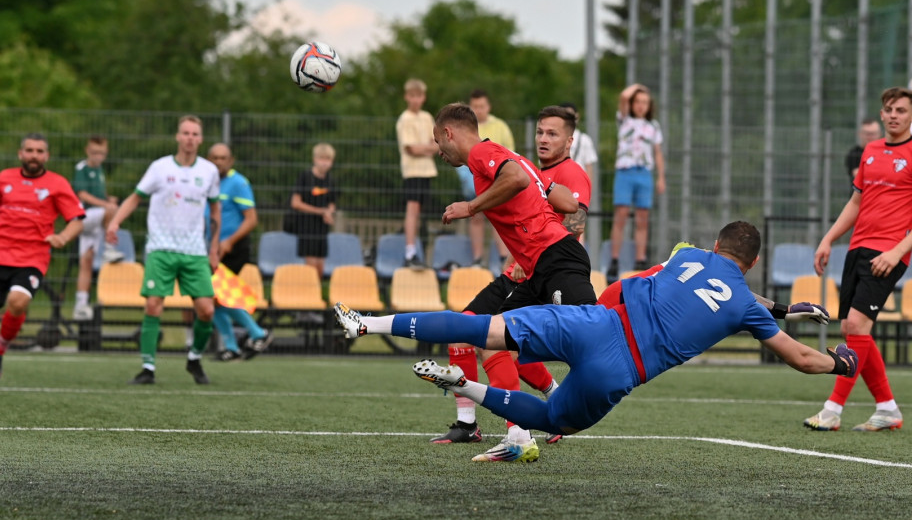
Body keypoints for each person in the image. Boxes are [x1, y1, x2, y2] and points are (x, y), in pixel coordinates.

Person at [335, 221, 858, 459]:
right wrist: (839, 363)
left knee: (482, 327)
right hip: (620, 368)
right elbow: (801, 358)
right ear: (756, 264)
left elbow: (700, 282)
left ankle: (367, 324)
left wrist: (774, 306)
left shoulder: (689, 255)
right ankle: (462, 387)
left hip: (596, 322)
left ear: (715, 244)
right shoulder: (746, 305)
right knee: (549, 420)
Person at [425, 102, 593, 461]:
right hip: (534, 265)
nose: (439, 151)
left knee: (591, 336)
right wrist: (541, 191)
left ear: (449, 133)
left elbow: (530, 187)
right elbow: (553, 196)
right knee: (487, 339)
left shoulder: (489, 154)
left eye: (439, 141)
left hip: (555, 260)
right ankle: (516, 432)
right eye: (540, 131)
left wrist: (470, 207)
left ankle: (560, 404)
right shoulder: (517, 161)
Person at [804, 86, 912, 432]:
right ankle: (888, 408)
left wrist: (897, 251)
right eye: (890, 109)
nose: (894, 115)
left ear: (910, 116)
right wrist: (829, 239)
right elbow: (855, 203)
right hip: (858, 249)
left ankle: (832, 410)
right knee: (852, 329)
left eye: (902, 110)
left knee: (858, 327)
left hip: (889, 253)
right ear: (881, 114)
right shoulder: (870, 150)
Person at [0, 133, 85, 392]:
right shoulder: (4, 178)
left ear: (46, 156)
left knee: (18, 301)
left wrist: (62, 237)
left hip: (32, 256)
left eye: (39, 151)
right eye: (29, 150)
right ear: (20, 154)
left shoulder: (57, 184)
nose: (34, 155)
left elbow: (78, 219)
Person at [106, 115, 221, 385]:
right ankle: (148, 368)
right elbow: (135, 197)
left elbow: (216, 208)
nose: (190, 138)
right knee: (153, 305)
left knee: (206, 310)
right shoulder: (159, 168)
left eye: (195, 134)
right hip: (161, 248)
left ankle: (194, 359)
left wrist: (213, 248)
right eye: (186, 133)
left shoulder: (209, 171)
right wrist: (115, 221)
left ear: (200, 139)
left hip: (194, 252)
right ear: (177, 137)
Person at [207, 142, 272, 361]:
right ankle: (234, 346)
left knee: (216, 296)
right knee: (212, 297)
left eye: (222, 158)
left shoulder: (238, 183)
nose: (218, 162)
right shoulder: (206, 182)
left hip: (233, 249)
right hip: (212, 248)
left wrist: (229, 241)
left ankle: (257, 333)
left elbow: (251, 219)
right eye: (214, 158)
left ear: (230, 161)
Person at [608, 84, 665, 280]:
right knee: (621, 216)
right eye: (638, 102)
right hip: (626, 171)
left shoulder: (653, 126)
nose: (641, 106)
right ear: (633, 104)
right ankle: (614, 259)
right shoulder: (624, 120)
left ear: (650, 106)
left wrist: (661, 177)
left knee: (642, 218)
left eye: (645, 103)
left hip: (644, 173)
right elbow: (624, 95)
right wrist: (640, 87)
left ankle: (640, 260)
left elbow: (657, 153)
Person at [455, 90, 515, 265]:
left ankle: (504, 257)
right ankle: (477, 259)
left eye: (481, 106)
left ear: (488, 106)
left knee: (499, 219)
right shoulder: (465, 126)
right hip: (473, 179)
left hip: (497, 180)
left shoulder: (501, 126)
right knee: (475, 216)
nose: (479, 110)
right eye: (475, 107)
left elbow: (510, 153)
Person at [72, 135, 124, 322]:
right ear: (87, 151)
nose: (97, 156)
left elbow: (97, 193)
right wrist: (106, 204)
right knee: (113, 211)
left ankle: (81, 304)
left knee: (86, 261)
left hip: (96, 220)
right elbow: (83, 194)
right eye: (94, 152)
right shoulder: (82, 168)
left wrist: (107, 198)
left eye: (101, 153)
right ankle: (109, 249)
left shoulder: (100, 170)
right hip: (84, 217)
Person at [396, 78, 438, 268]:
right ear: (407, 97)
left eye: (419, 96)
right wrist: (427, 148)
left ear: (424, 97)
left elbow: (436, 145)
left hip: (427, 171)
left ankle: (418, 251)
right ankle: (410, 251)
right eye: (412, 96)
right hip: (412, 171)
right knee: (412, 210)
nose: (415, 99)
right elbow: (410, 149)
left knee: (421, 213)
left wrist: (427, 148)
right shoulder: (405, 119)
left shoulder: (427, 117)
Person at [289, 142, 337, 278]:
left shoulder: (331, 180)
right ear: (315, 159)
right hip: (307, 227)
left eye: (328, 159)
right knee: (311, 267)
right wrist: (319, 211)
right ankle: (309, 295)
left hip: (322, 229)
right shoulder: (305, 177)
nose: (324, 163)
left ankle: (318, 296)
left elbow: (332, 203)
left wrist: (329, 212)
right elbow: (295, 203)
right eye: (322, 159)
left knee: (320, 267)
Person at [844, 118, 883, 182]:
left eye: (873, 134)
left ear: (880, 134)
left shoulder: (886, 152)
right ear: (860, 134)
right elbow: (857, 174)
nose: (870, 137)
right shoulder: (854, 153)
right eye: (867, 133)